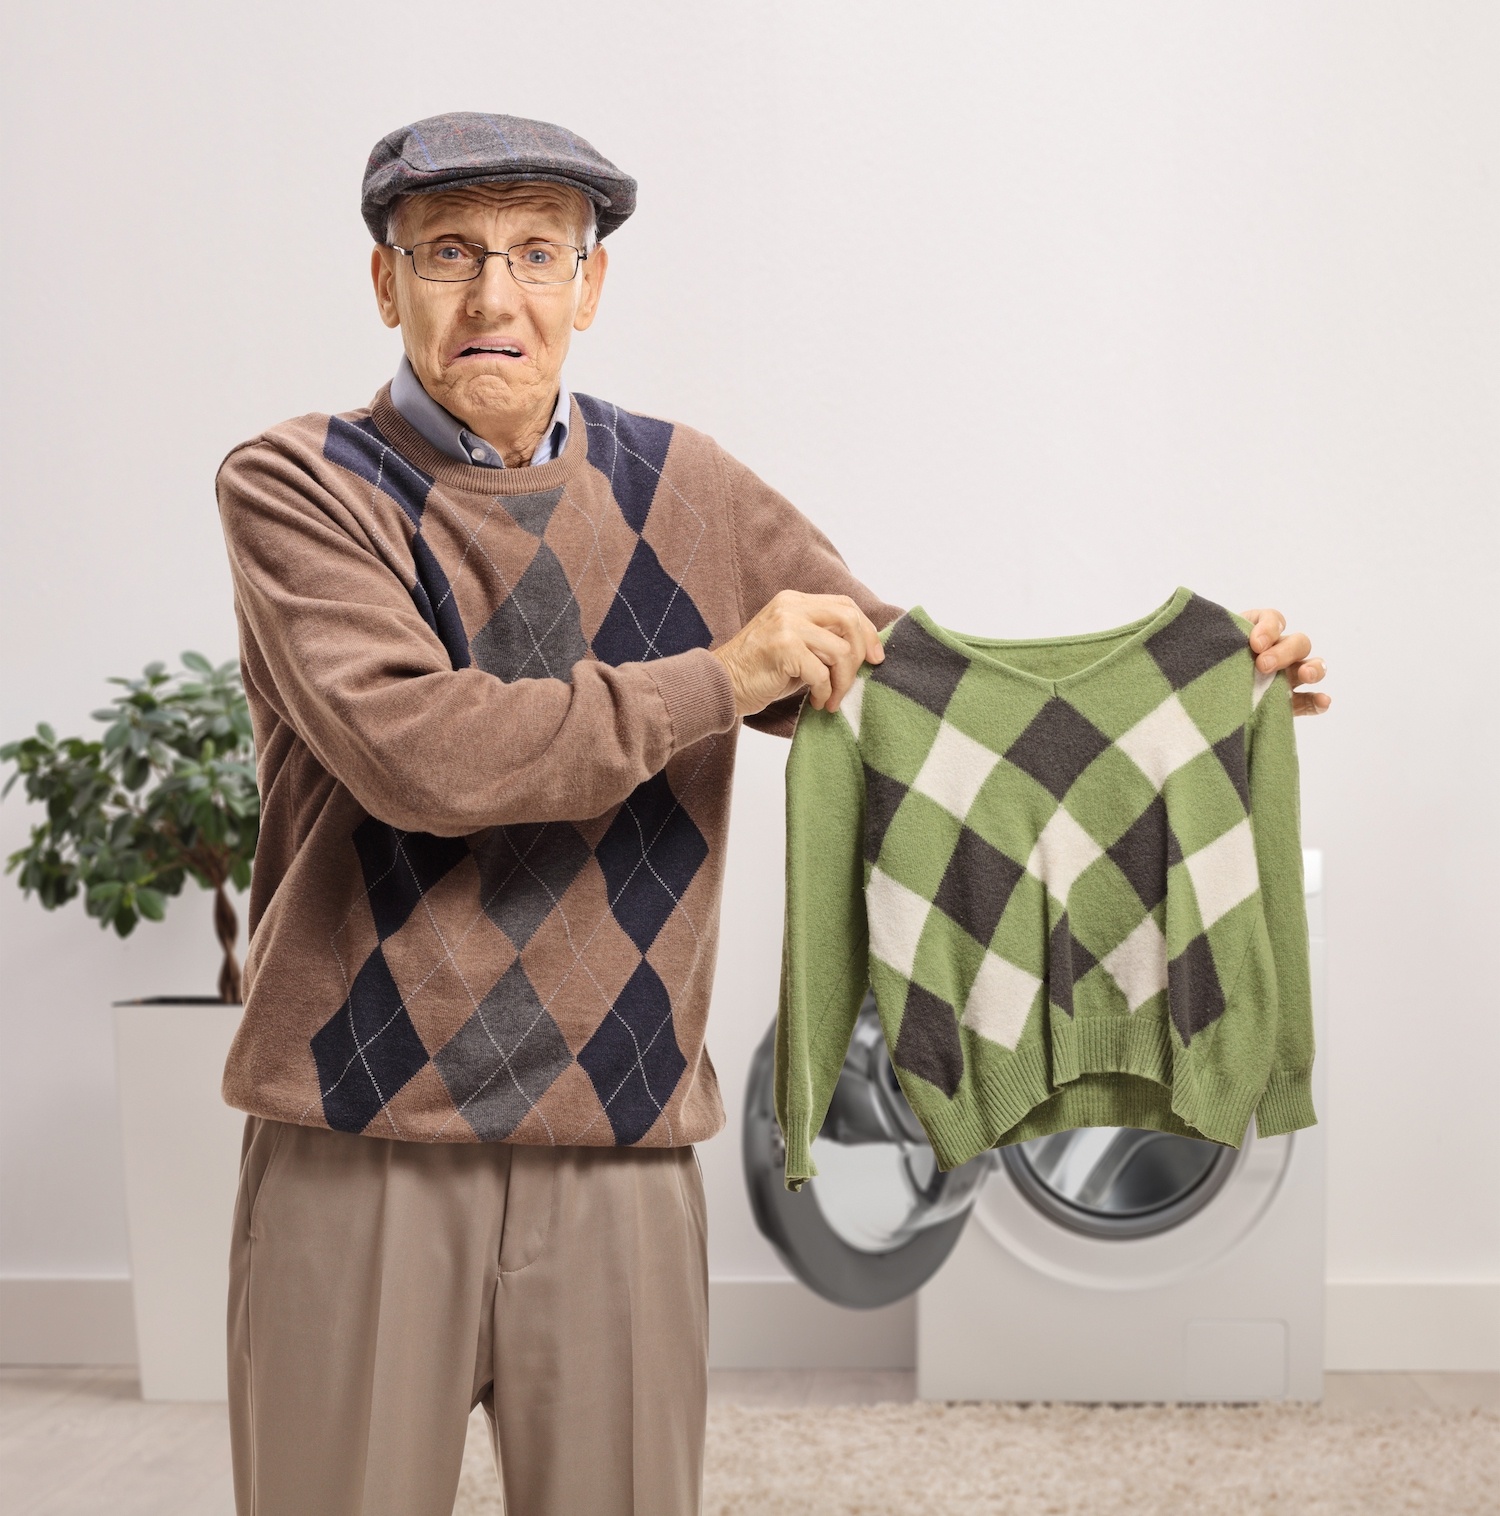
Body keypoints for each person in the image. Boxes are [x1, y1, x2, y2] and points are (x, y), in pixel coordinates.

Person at [216, 111, 1330, 1516]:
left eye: (536, 253)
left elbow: (909, 693)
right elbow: (420, 755)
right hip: (359, 1140)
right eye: (450, 252)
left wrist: (1193, 700)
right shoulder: (297, 483)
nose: (495, 295)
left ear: (590, 286)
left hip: (618, 1144)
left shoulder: (687, 488)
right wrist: (722, 674)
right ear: (387, 282)